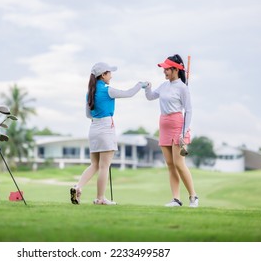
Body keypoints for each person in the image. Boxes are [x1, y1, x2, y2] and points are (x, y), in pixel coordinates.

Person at [70, 62, 148, 205]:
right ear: (103, 75)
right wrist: (140, 85)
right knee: (104, 166)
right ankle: (100, 198)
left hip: (93, 128)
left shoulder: (90, 92)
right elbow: (128, 93)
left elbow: (88, 114)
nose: (111, 76)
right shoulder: (107, 90)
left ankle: (78, 187)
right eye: (109, 73)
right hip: (106, 127)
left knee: (94, 164)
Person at [144, 54, 199, 208]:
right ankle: (176, 199)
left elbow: (188, 111)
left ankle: (193, 197)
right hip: (164, 125)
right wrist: (147, 88)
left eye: (167, 69)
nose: (164, 72)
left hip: (177, 125)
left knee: (179, 163)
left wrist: (183, 132)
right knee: (170, 164)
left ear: (175, 69)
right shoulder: (163, 86)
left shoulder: (182, 88)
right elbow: (150, 97)